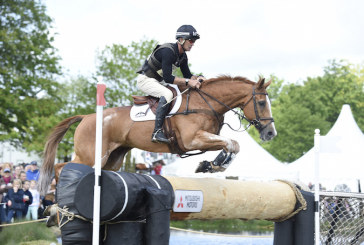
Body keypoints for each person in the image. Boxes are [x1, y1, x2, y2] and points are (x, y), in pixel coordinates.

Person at [136, 24, 205, 144]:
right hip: (146, 80)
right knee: (168, 94)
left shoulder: (183, 56)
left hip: (159, 81)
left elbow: (187, 76)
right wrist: (189, 81)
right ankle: (156, 132)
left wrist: (198, 78)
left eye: (194, 41)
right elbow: (168, 78)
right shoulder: (167, 51)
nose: (193, 43)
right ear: (181, 40)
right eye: (191, 40)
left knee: (182, 89)